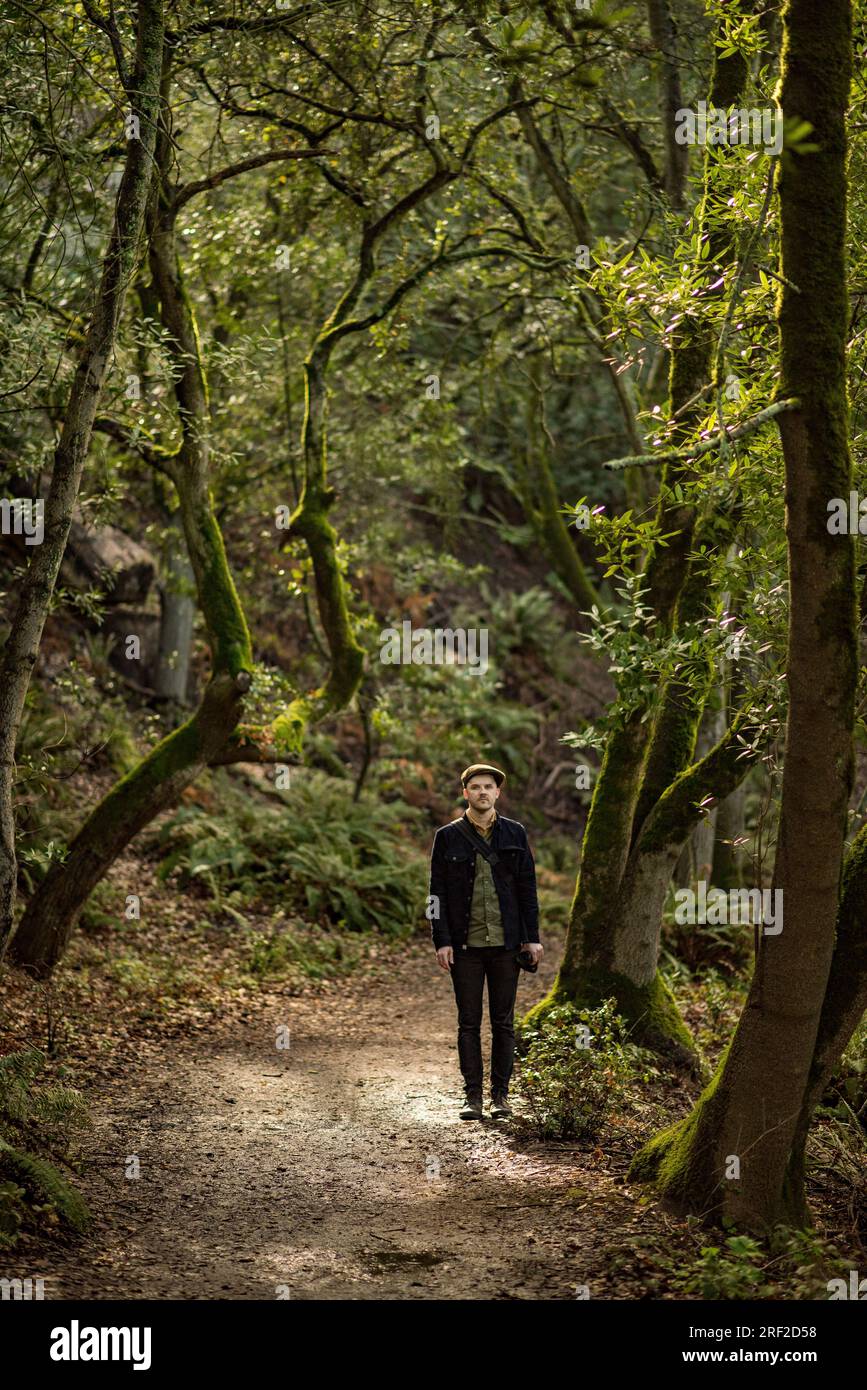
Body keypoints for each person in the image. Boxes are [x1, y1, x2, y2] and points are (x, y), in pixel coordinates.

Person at [428, 763, 543, 1120]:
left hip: (507, 945)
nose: (482, 792)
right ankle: (472, 1098)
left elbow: (528, 888)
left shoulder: (515, 833)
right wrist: (441, 941)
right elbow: (436, 894)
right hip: (465, 947)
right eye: (475, 787)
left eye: (488, 787)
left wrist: (532, 938)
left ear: (497, 793)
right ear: (465, 793)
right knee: (468, 1023)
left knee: (504, 1023)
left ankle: (500, 1098)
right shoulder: (447, 836)